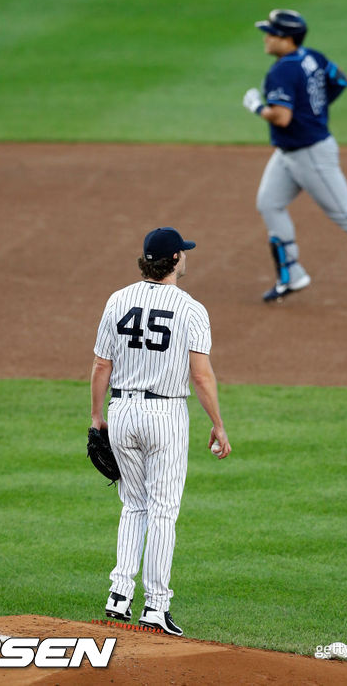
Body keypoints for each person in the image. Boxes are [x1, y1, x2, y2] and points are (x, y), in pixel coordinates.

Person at [90, 226, 231, 636]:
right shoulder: (190, 309)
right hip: (165, 416)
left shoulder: (118, 299)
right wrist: (218, 424)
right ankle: (155, 605)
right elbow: (201, 377)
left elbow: (102, 365)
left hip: (121, 411)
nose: (185, 257)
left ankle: (119, 594)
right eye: (182, 253)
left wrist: (97, 416)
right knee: (163, 511)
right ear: (172, 260)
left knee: (133, 505)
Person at [242, 9, 347, 306]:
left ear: (288, 39)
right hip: (289, 153)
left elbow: (280, 117)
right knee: (269, 203)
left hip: (311, 154)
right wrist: (315, 108)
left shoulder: (282, 70)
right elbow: (339, 80)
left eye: (272, 34)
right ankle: (292, 274)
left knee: (344, 212)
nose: (266, 38)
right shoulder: (312, 57)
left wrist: (256, 106)